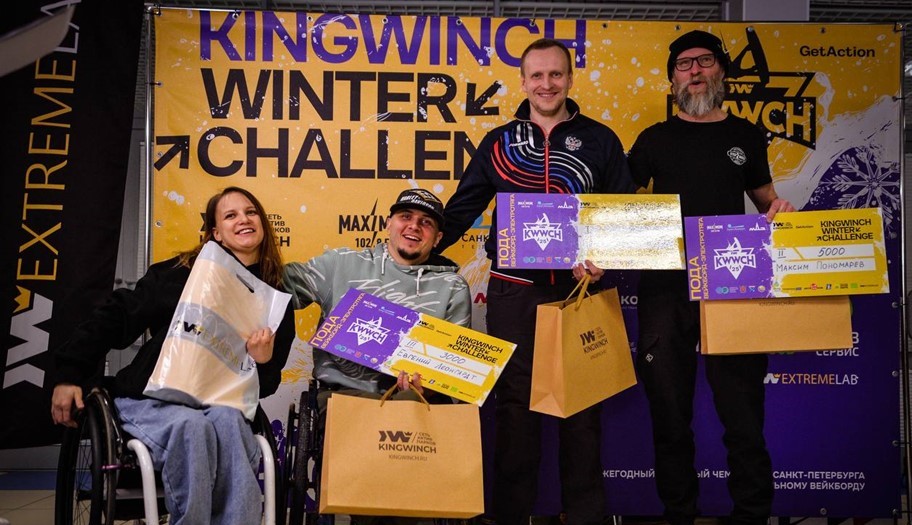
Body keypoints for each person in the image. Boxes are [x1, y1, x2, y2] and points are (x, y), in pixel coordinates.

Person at [436, 38, 636, 525]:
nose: (547, 84)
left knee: (582, 413)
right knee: (515, 413)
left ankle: (584, 517)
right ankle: (511, 517)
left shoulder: (600, 140)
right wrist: (412, 252)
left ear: (569, 78)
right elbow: (461, 210)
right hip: (514, 293)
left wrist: (606, 260)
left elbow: (624, 216)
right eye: (538, 75)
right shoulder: (499, 142)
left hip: (580, 292)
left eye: (556, 74)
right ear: (523, 82)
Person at [627, 30, 796, 525]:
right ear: (673, 80)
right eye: (684, 65)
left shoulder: (745, 136)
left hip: (733, 285)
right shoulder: (653, 140)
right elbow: (620, 206)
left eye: (704, 61)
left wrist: (780, 211)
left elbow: (766, 202)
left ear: (721, 71)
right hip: (665, 290)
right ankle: (678, 514)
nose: (695, 71)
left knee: (744, 416)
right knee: (669, 416)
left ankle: (752, 514)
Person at [51, 186, 295, 525]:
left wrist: (262, 361)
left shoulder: (273, 298)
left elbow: (265, 386)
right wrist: (69, 373)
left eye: (250, 212)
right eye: (231, 215)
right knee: (191, 426)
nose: (243, 219)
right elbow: (117, 316)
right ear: (216, 233)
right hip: (152, 399)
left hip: (220, 405)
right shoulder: (182, 274)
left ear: (262, 223)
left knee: (228, 422)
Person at [284, 187, 472, 397]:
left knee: (409, 400)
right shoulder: (341, 264)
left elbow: (455, 368)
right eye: (406, 216)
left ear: (438, 238)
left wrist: (427, 388)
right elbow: (276, 285)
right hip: (344, 397)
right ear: (388, 224)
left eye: (426, 222)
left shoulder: (453, 287)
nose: (414, 226)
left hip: (417, 402)